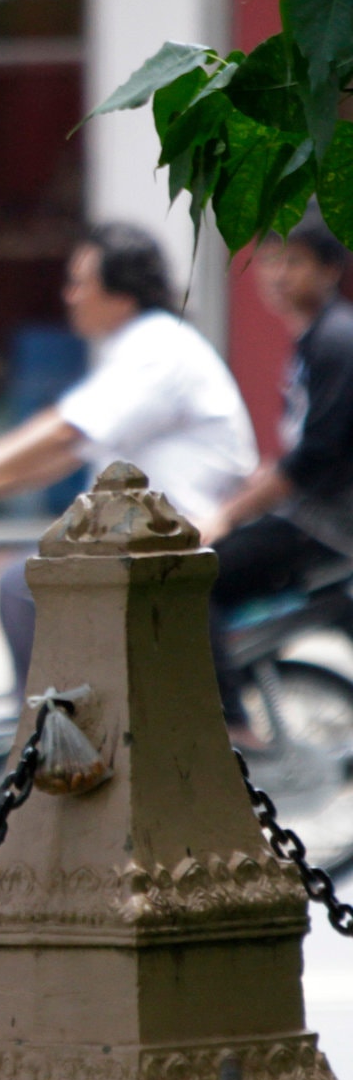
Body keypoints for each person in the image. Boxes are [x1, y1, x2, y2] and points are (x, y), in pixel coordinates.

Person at [0, 223, 257, 689]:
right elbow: (72, 451)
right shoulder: (137, 347)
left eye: (80, 284)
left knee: (24, 588)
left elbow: (66, 429)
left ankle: (48, 735)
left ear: (120, 296)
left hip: (178, 536)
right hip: (145, 534)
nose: (69, 295)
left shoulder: (157, 348)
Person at [197, 211, 353, 734]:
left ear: (330, 269)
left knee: (191, 582)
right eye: (268, 261)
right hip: (309, 519)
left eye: (293, 262)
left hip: (325, 528)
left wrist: (227, 514)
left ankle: (232, 726)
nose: (277, 275)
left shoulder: (336, 341)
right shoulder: (315, 342)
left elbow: (313, 458)